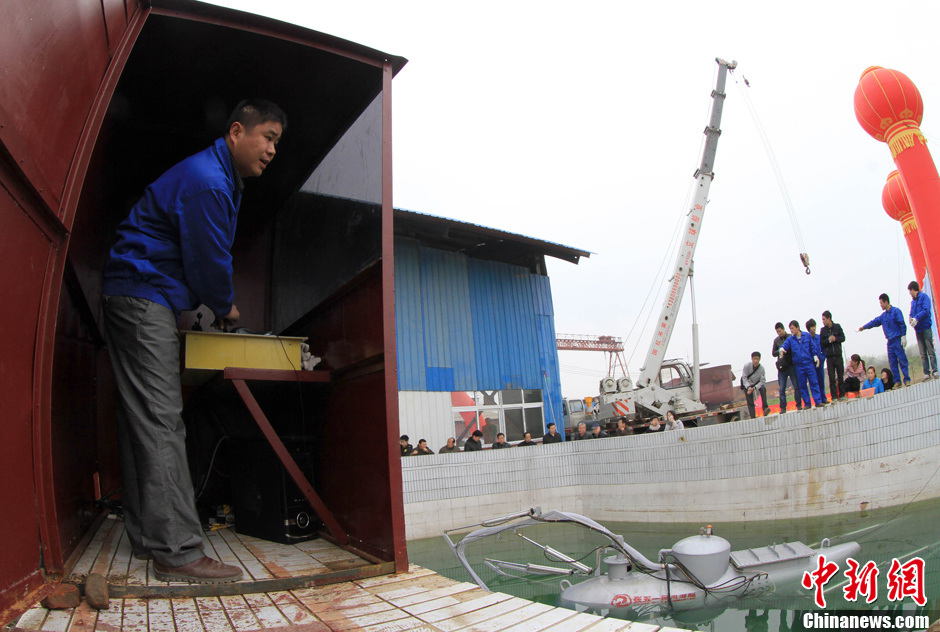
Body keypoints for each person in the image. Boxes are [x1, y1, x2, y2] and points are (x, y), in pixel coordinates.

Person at [101, 99, 286, 583]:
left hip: (139, 295)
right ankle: (179, 553)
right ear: (236, 131)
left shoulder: (219, 177)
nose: (271, 150)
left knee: (143, 420)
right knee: (163, 421)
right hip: (143, 298)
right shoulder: (208, 182)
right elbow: (209, 266)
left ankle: (149, 537)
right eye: (267, 137)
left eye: (277, 143)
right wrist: (227, 307)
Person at [859, 293, 911, 386]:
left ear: (886, 302)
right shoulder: (883, 316)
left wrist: (903, 336)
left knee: (902, 360)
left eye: (881, 303)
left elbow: (902, 324)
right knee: (893, 363)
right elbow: (874, 322)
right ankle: (897, 381)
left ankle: (907, 379)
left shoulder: (896, 311)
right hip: (890, 342)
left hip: (897, 339)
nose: (881, 305)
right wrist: (864, 327)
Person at [779, 320, 825, 408]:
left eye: (792, 328)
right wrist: (782, 349)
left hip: (809, 363)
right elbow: (784, 345)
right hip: (799, 365)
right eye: (790, 329)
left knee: (814, 382)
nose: (791, 330)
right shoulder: (791, 339)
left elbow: (812, 347)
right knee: (802, 385)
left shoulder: (807, 336)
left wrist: (815, 355)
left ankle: (818, 401)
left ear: (797, 327)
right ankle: (807, 403)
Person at [908, 281, 938, 380]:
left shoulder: (924, 297)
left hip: (926, 327)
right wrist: (911, 319)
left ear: (913, 289)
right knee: (922, 353)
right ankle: (926, 373)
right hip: (918, 330)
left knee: (930, 350)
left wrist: (917, 318)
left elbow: (926, 310)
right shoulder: (913, 302)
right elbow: (911, 313)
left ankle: (935, 370)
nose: (910, 293)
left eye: (910, 291)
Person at [772, 322, 801, 413]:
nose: (779, 333)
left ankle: (799, 405)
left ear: (783, 329)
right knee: (782, 388)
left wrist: (787, 349)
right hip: (782, 367)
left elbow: (795, 348)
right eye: (777, 332)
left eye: (780, 331)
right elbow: (773, 353)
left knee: (796, 386)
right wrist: (780, 350)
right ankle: (783, 408)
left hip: (791, 365)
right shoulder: (776, 340)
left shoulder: (790, 337)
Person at [820, 311, 846, 400]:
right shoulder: (823, 330)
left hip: (838, 355)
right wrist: (828, 340)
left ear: (829, 319)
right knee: (831, 378)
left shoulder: (837, 327)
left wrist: (836, 339)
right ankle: (834, 396)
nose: (823, 321)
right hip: (830, 357)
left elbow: (843, 338)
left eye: (824, 319)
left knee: (840, 376)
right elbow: (822, 343)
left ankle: (842, 395)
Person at [741, 351, 771, 418]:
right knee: (749, 400)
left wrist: (754, 388)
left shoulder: (762, 369)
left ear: (759, 359)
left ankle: (765, 408)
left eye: (757, 359)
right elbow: (744, 377)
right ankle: (753, 416)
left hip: (756, 384)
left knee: (763, 389)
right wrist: (748, 387)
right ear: (752, 359)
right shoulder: (747, 366)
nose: (756, 361)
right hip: (747, 384)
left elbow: (762, 381)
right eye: (754, 359)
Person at [806, 319, 827, 404]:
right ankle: (817, 400)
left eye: (814, 326)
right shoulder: (807, 338)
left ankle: (824, 399)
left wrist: (822, 357)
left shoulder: (819, 337)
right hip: (811, 364)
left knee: (821, 381)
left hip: (820, 363)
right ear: (808, 328)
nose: (813, 328)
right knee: (814, 382)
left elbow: (824, 349)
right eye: (811, 327)